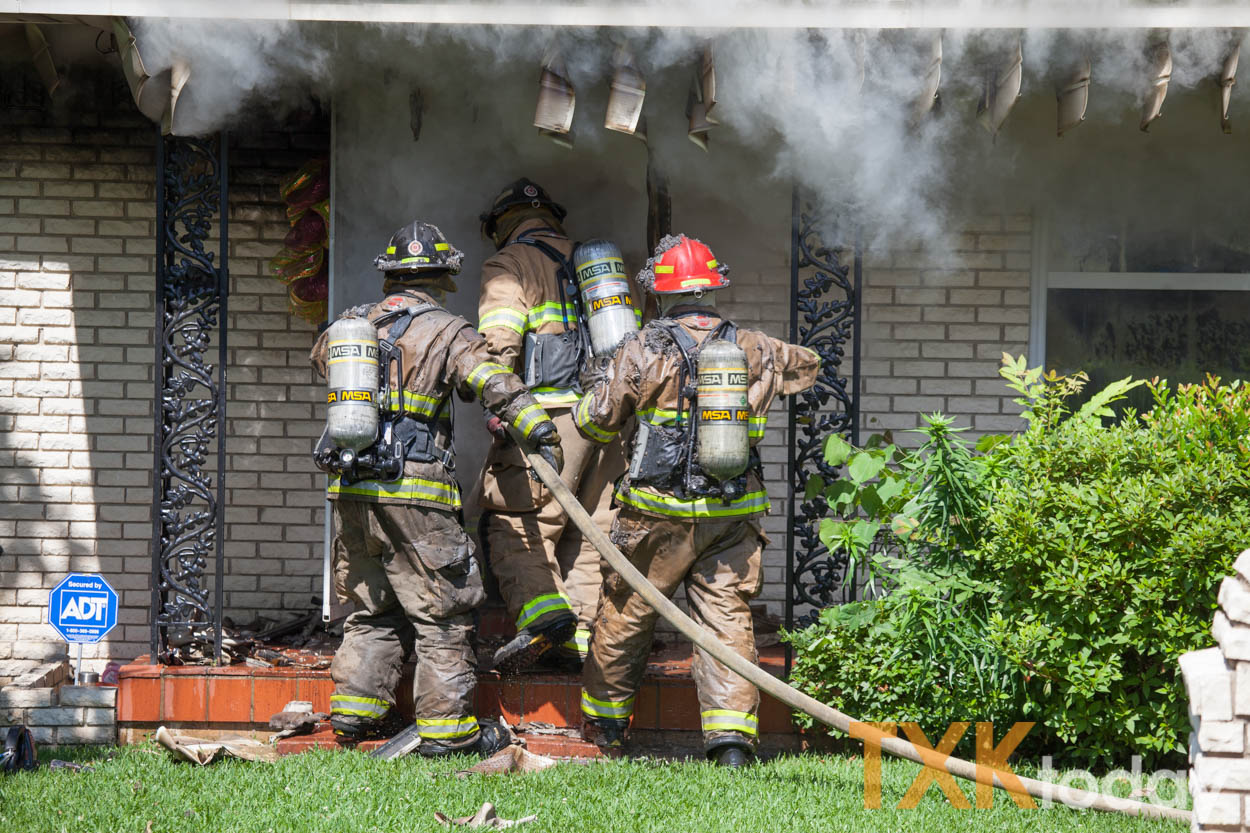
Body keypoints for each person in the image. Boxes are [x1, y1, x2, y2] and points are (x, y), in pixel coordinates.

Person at [310, 220, 564, 756]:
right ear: (444, 276)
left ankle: (355, 717)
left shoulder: (349, 325)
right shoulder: (448, 330)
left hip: (353, 489)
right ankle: (447, 733)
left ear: (390, 276)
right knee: (443, 614)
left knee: (369, 607)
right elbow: (491, 383)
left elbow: (321, 364)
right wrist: (539, 427)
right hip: (418, 492)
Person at [574, 234, 821, 767]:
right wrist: (764, 386)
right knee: (726, 621)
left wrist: (599, 377)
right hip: (732, 513)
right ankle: (731, 745)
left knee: (626, 613)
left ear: (660, 293)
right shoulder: (752, 345)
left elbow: (594, 422)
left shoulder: (643, 347)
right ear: (714, 288)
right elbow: (809, 365)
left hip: (655, 514)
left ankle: (607, 731)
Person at [475, 178, 629, 672]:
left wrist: (501, 408)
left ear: (503, 222)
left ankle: (546, 624)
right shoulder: (594, 265)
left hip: (547, 419)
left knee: (517, 524)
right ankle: (576, 641)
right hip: (606, 420)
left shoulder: (509, 265)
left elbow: (498, 346)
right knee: (589, 531)